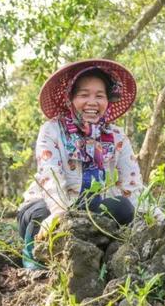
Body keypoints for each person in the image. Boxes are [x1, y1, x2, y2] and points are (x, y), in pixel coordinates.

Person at [18, 59, 155, 269]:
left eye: (99, 96)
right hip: (49, 205)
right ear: (71, 99)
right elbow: (49, 173)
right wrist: (58, 212)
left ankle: (93, 254)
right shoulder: (52, 130)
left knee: (124, 208)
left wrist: (161, 221)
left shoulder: (116, 136)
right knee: (40, 214)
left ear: (108, 101)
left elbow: (133, 187)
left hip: (91, 211)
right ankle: (37, 264)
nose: (92, 101)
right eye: (84, 95)